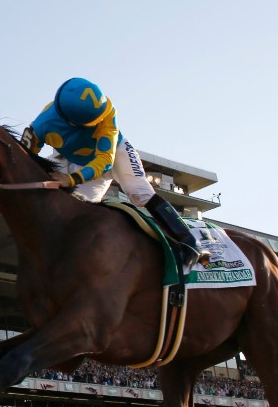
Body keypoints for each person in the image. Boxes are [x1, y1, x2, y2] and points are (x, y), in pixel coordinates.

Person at [22, 78, 209, 271]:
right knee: (76, 208)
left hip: (115, 153)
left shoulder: (108, 113)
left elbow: (104, 162)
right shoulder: (41, 124)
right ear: (71, 123)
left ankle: (188, 240)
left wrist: (71, 179)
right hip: (77, 160)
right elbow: (24, 155)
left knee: (140, 192)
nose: (101, 121)